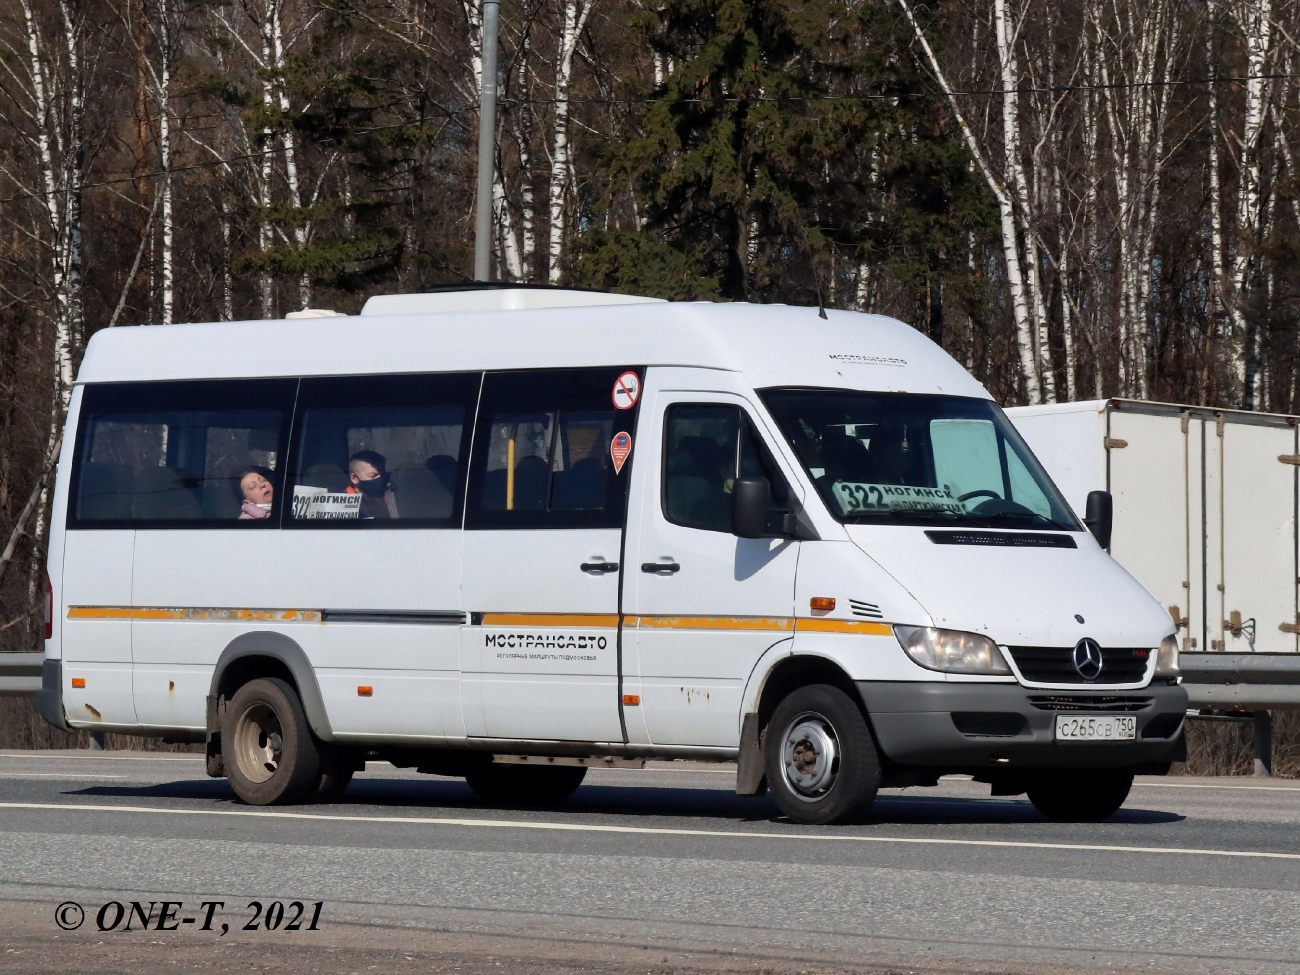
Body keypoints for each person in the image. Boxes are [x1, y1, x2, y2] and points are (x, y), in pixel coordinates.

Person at [347, 450, 398, 519]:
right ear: (354, 478)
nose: (380, 478)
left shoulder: (393, 495)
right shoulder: (343, 502)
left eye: (382, 474)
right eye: (373, 476)